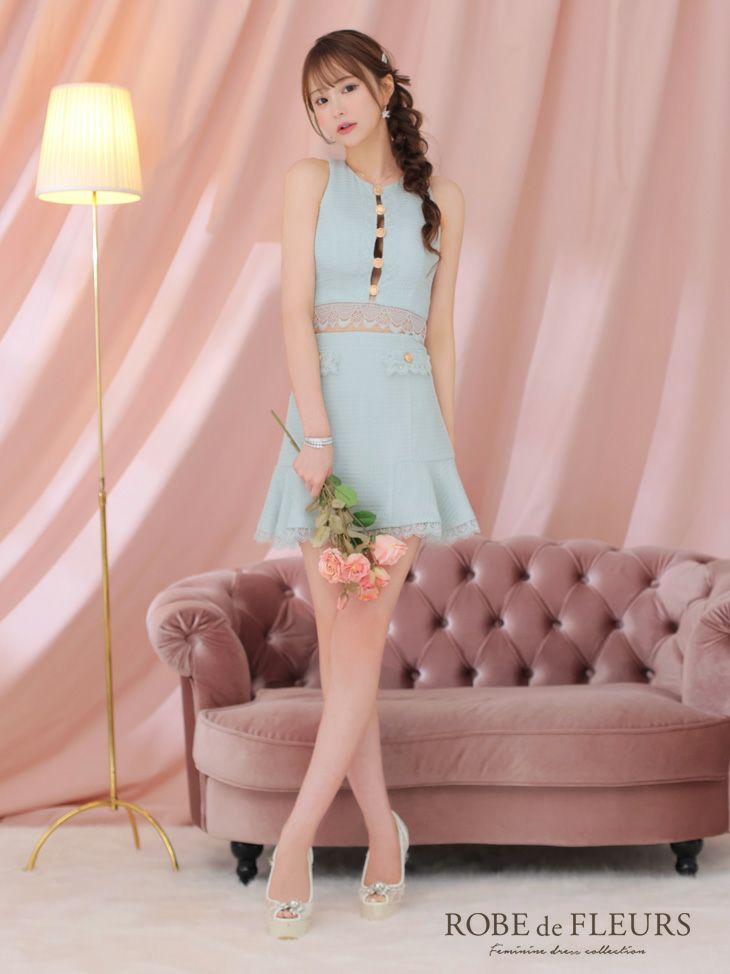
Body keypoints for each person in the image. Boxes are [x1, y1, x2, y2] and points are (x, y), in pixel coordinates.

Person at [254, 28, 480, 938]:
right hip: (328, 438)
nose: (333, 110)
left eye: (346, 88)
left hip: (405, 433)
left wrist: (440, 453)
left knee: (357, 643)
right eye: (318, 99)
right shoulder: (308, 182)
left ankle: (295, 841)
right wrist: (315, 435)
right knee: (345, 656)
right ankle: (385, 836)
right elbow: (292, 311)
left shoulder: (443, 200)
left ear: (385, 87)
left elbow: (442, 334)